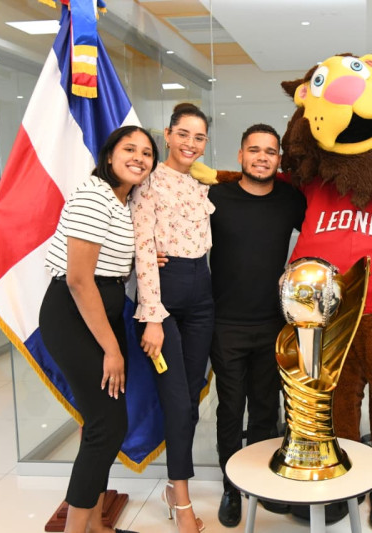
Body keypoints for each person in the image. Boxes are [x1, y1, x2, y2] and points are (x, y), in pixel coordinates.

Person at [39, 125, 158, 533]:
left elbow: (108, 263)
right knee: (107, 426)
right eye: (130, 149)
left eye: (147, 152)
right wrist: (112, 349)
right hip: (74, 316)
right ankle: (79, 530)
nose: (139, 157)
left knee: (103, 426)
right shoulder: (94, 195)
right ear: (109, 155)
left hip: (98, 315)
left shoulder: (119, 202)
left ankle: (95, 527)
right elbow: (78, 279)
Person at [207, 124, 306, 527]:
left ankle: (260, 479)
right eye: (254, 150)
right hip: (225, 321)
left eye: (270, 151)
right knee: (231, 407)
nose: (262, 157)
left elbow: (323, 232)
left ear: (279, 159)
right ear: (240, 156)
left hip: (272, 322)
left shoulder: (290, 200)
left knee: (265, 407)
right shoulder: (215, 197)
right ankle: (232, 486)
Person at [130, 103, 214, 533]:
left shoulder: (200, 182)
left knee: (194, 392)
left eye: (199, 137)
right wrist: (153, 317)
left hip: (203, 294)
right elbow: (144, 249)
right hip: (165, 300)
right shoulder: (147, 183)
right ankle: (180, 498)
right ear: (167, 134)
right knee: (178, 402)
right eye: (184, 134)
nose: (191, 144)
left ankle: (173, 483)